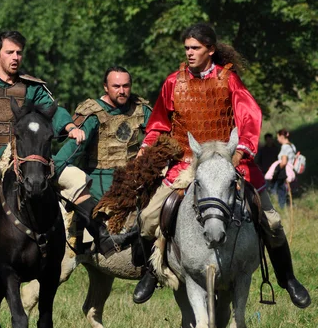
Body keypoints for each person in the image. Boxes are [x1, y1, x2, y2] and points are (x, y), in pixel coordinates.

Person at [132, 23, 310, 308]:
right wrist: (146, 148)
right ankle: (151, 272)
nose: (190, 53)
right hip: (186, 164)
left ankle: (287, 278)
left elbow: (249, 116)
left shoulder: (228, 80)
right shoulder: (172, 83)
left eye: (196, 48)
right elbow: (158, 124)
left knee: (272, 222)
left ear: (210, 50)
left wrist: (242, 150)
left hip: (229, 162)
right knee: (148, 218)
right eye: (187, 48)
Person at [0, 31, 133, 285]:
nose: (15, 58)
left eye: (19, 53)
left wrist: (69, 127)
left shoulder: (32, 87)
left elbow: (54, 111)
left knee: (75, 177)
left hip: (28, 159)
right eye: (9, 52)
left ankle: (102, 236)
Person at [55, 66, 151, 252]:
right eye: (116, 86)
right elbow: (75, 148)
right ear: (105, 87)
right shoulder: (93, 113)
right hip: (100, 181)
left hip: (133, 178)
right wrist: (56, 168)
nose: (122, 91)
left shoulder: (140, 109)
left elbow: (158, 132)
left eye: (126, 86)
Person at [270, 129, 298, 208]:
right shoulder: (292, 145)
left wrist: (276, 170)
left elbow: (284, 161)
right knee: (288, 191)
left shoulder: (284, 147)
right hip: (291, 171)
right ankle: (289, 206)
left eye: (278, 137)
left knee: (281, 191)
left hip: (284, 172)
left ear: (282, 136)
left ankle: (282, 208)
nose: (277, 139)